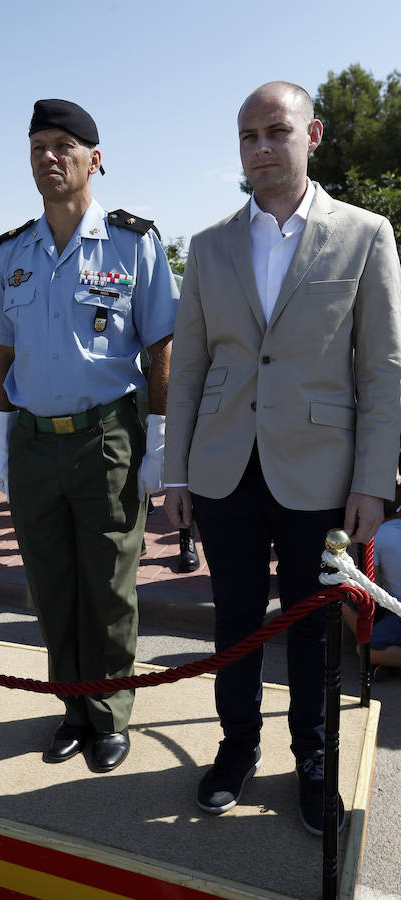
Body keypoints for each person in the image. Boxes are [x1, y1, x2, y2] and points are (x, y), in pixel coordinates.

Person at [164, 81, 401, 834]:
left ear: (314, 135)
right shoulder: (208, 245)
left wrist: (374, 481)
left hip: (323, 471)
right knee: (234, 618)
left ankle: (314, 759)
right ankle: (237, 748)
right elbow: (191, 367)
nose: (261, 147)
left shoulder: (365, 235)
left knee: (310, 625)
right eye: (247, 137)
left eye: (276, 131)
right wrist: (175, 471)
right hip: (225, 467)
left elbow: (383, 369)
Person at [0, 99, 178, 771]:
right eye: (37, 148)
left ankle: (110, 711)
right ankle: (71, 707)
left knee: (110, 587)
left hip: (107, 437)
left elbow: (162, 352)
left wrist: (159, 444)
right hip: (33, 441)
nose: (49, 157)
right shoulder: (11, 253)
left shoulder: (132, 242)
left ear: (95, 158)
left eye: (63, 145)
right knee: (52, 585)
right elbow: (0, 359)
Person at [343, 499, 401, 674]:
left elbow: (373, 585)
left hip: (395, 606)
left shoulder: (380, 534)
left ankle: (385, 658)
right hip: (393, 604)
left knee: (365, 650)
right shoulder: (384, 532)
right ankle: (385, 655)